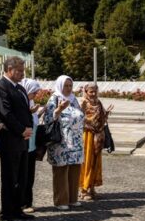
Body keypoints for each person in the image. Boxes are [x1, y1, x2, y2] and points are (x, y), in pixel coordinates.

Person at [0, 57, 34, 221]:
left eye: (23, 70)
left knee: (21, 176)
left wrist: (29, 128)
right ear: (9, 70)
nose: (22, 74)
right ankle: (6, 214)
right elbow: (4, 113)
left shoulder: (20, 88)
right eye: (19, 71)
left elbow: (26, 111)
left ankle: (17, 208)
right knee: (10, 177)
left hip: (22, 139)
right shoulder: (1, 88)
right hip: (9, 139)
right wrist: (21, 129)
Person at [44, 75, 84, 211]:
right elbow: (48, 118)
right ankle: (61, 200)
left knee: (74, 169)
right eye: (65, 86)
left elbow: (79, 116)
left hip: (75, 141)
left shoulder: (74, 99)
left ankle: (73, 198)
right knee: (61, 170)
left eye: (70, 86)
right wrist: (58, 110)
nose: (68, 88)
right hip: (61, 141)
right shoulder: (54, 99)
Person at [79, 83, 113, 200]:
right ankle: (84, 189)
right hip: (87, 135)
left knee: (95, 162)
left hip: (98, 136)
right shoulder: (82, 102)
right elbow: (79, 118)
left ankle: (92, 187)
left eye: (95, 91)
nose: (93, 94)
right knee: (87, 161)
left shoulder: (98, 103)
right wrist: (90, 121)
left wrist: (106, 114)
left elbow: (102, 118)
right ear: (86, 91)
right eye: (91, 92)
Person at [19, 78, 44, 213]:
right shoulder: (23, 104)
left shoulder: (31, 103)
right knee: (23, 177)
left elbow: (33, 122)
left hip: (32, 146)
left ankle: (28, 201)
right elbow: (22, 121)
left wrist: (38, 113)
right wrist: (30, 112)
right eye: (33, 92)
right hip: (24, 146)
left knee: (30, 177)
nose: (34, 95)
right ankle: (22, 203)